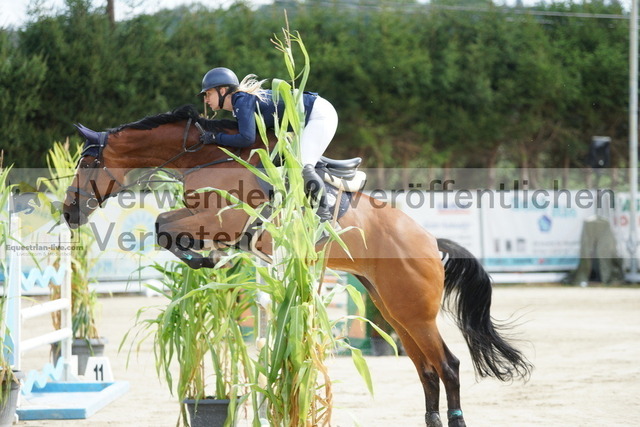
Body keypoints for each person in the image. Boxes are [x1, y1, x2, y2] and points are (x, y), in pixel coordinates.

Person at [198, 67, 338, 222]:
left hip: (319, 115)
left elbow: (246, 139)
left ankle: (326, 221)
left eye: (208, 94)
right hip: (311, 116)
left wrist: (215, 137)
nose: (205, 99)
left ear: (222, 90)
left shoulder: (241, 101)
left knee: (303, 166)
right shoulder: (240, 104)